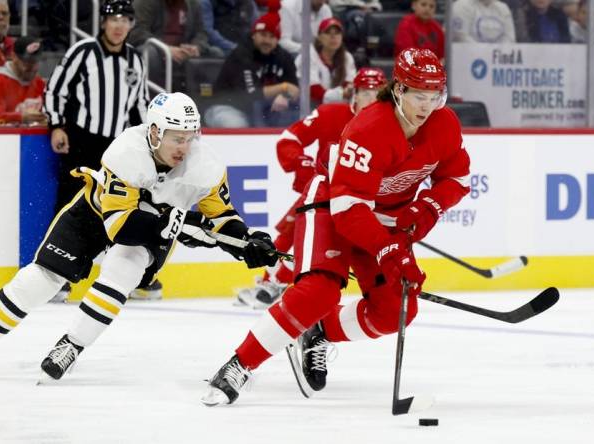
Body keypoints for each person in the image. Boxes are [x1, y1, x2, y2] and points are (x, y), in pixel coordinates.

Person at [0, 92, 279, 380]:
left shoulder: (206, 165)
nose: (185, 147)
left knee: (122, 272)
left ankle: (71, 345)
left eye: (191, 137)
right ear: (156, 132)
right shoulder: (126, 151)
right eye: (178, 137)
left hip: (153, 225)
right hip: (96, 212)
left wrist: (247, 240)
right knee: (41, 278)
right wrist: (173, 223)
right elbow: (120, 226)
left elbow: (220, 217)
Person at [202, 48, 471, 406]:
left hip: (385, 221)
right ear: (399, 90)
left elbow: (456, 177)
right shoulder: (369, 128)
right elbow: (350, 211)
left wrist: (427, 208)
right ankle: (238, 366)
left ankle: (320, 331)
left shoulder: (444, 123)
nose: (427, 105)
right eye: (419, 95)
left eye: (434, 96)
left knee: (395, 311)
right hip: (333, 207)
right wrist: (389, 249)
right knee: (319, 291)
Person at [236, 67, 387, 309]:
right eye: (366, 92)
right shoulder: (330, 114)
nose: (371, 98)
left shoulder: (388, 126)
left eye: (377, 93)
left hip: (362, 201)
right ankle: (272, 283)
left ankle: (379, 291)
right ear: (354, 94)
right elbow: (290, 139)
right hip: (324, 193)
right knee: (289, 234)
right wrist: (301, 163)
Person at [44, 0, 152, 300]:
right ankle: (58, 276)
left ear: (131, 24)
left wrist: (146, 144)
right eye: (113, 18)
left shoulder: (135, 60)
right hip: (81, 140)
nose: (119, 25)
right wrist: (57, 125)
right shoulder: (83, 52)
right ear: (103, 22)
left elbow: (139, 105)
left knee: (122, 209)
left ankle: (122, 278)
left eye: (125, 19)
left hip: (116, 147)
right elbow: (56, 89)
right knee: (72, 206)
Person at [204, 10, 300, 128]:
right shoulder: (242, 54)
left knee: (293, 121)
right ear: (254, 35)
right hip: (226, 107)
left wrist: (285, 96)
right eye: (263, 35)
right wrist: (283, 87)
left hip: (262, 111)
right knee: (237, 126)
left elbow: (295, 88)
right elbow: (251, 95)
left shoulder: (284, 57)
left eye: (272, 37)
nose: (267, 41)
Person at [128, 0, 211, 90]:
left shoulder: (194, 4)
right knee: (150, 54)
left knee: (216, 53)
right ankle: (152, 98)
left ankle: (208, 101)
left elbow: (202, 32)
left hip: (183, 50)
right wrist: (166, 49)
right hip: (156, 48)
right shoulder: (145, 2)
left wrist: (196, 47)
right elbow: (136, 32)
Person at [0, 36, 47, 126]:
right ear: (13, 57)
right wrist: (20, 117)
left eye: (35, 62)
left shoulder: (39, 83)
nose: (32, 67)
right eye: (27, 62)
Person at [295, 17, 357, 105]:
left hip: (337, 108)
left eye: (337, 33)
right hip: (310, 108)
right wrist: (342, 94)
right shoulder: (307, 57)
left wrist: (345, 92)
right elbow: (313, 91)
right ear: (319, 37)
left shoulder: (347, 57)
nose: (333, 37)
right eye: (328, 33)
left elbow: (349, 85)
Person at [450, 0, 517, 43]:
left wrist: (498, 57)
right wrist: (486, 54)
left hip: (498, 61)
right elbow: (461, 38)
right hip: (468, 60)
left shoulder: (503, 8)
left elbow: (510, 39)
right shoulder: (460, 6)